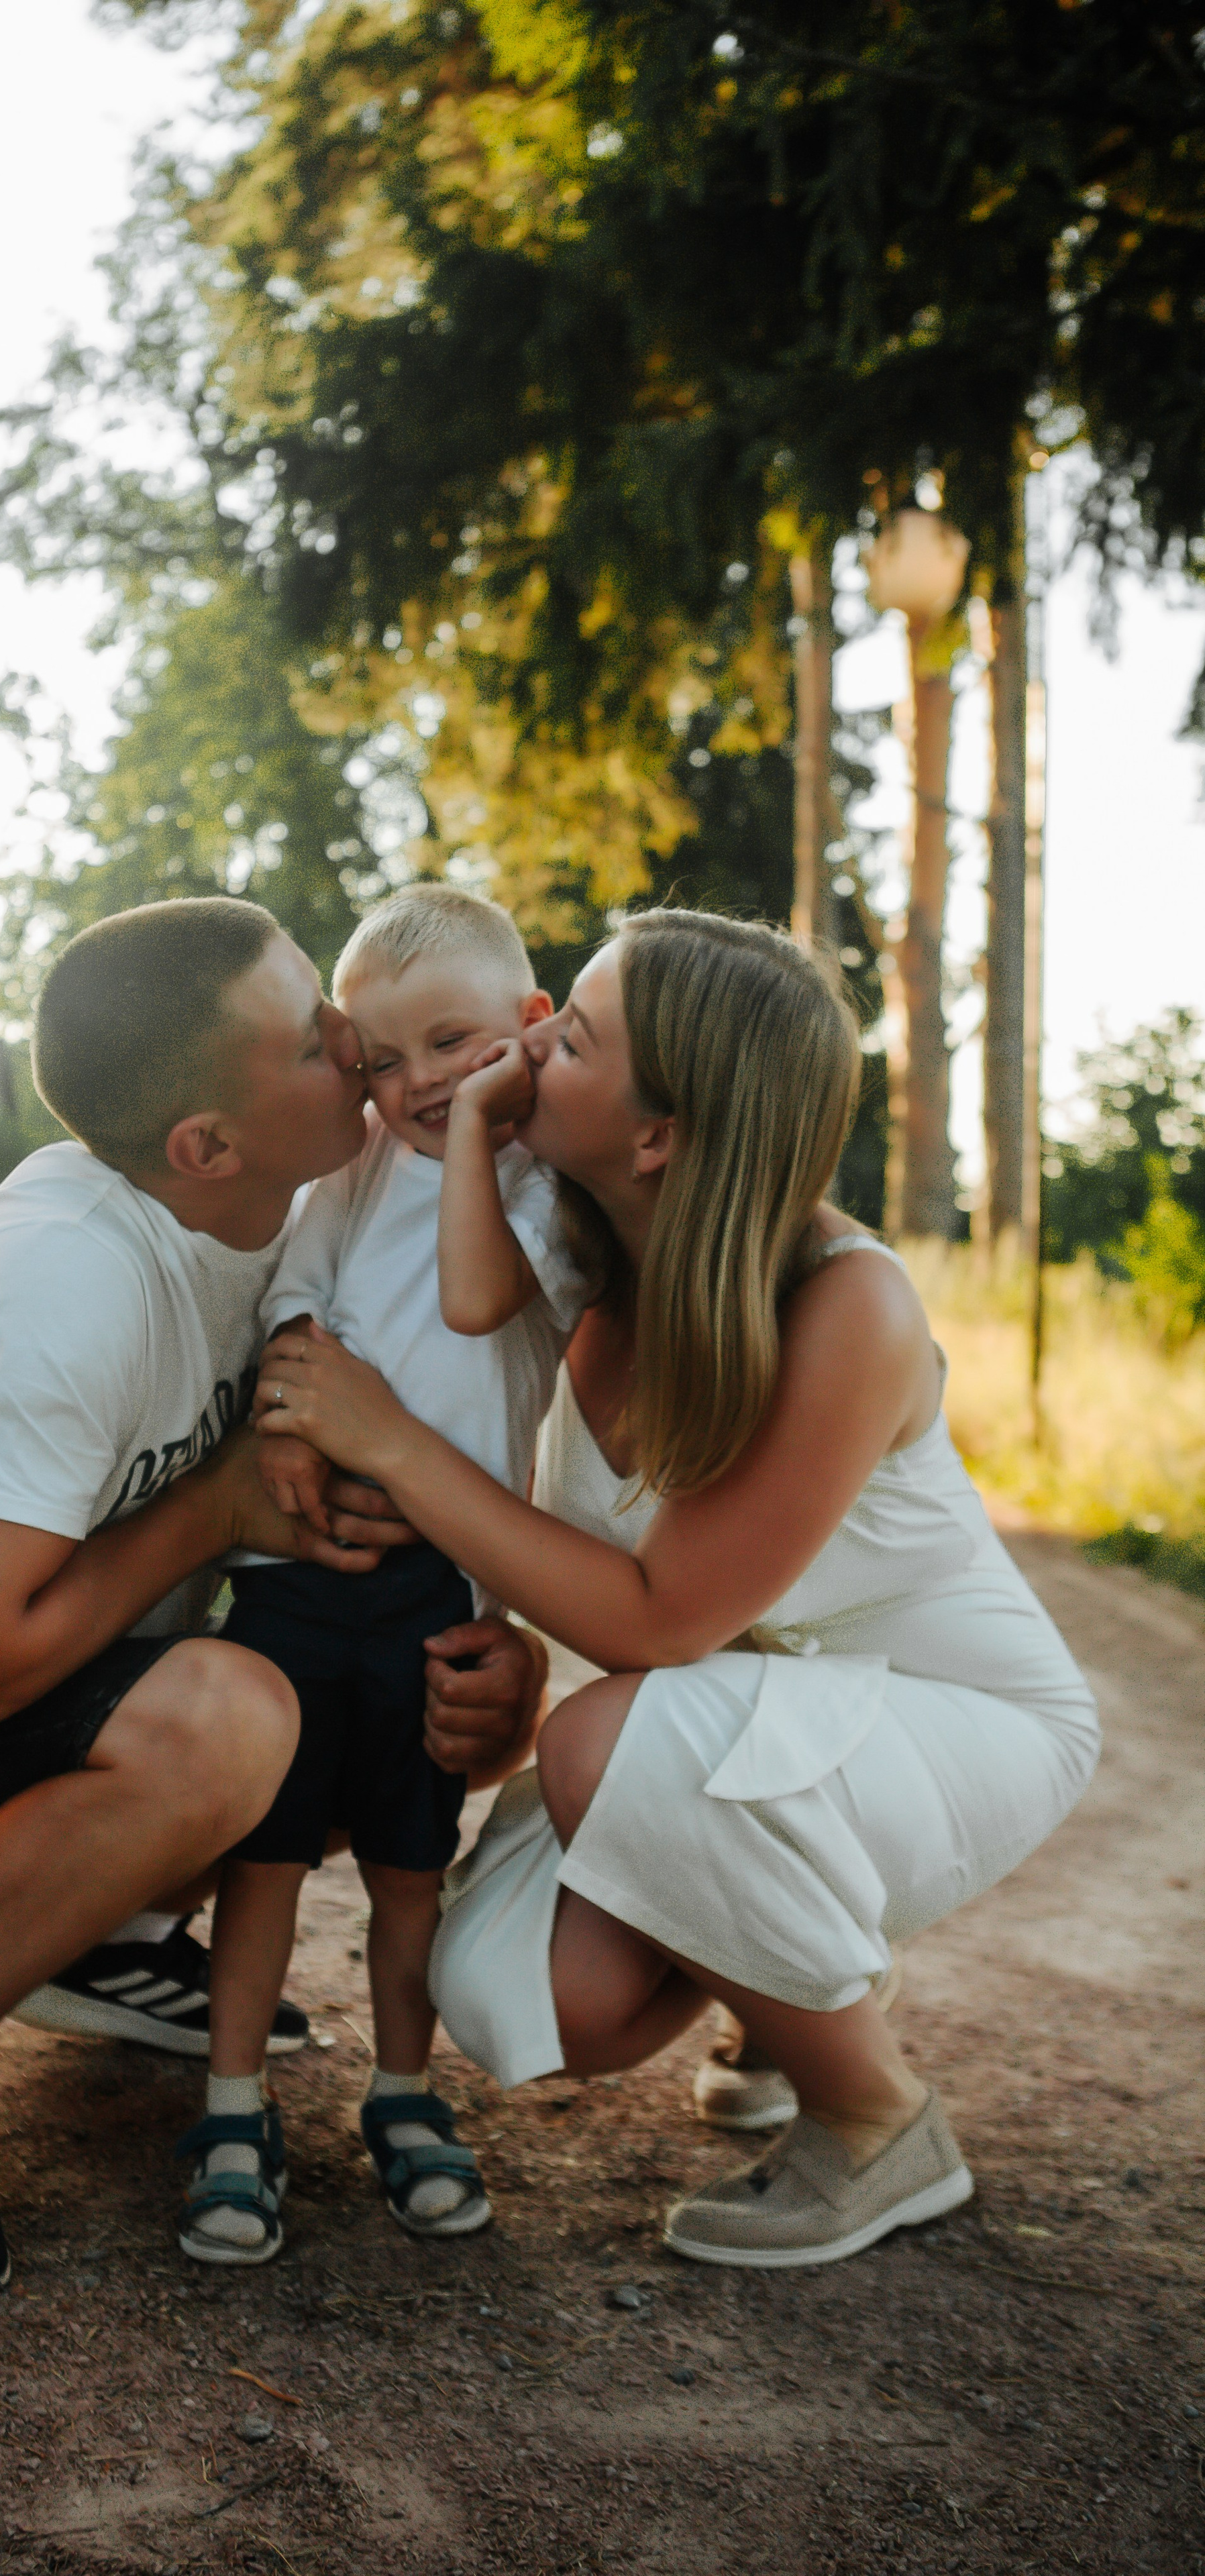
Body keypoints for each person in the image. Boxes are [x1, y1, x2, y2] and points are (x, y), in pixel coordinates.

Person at [0, 897, 542, 2299]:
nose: (354, 1044)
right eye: (315, 1040)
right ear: (204, 1144)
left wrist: (498, 1655)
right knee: (235, 1715)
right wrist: (210, 1505)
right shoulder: (67, 1274)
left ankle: (98, 1939)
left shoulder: (299, 1209)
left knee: (350, 1694)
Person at [255, 908, 1100, 2270]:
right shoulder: (581, 1262)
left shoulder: (846, 1306)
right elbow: (582, 1568)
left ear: (653, 1133)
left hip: (953, 1722)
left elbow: (659, 1622)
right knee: (522, 1991)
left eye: (570, 1036)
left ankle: (877, 2122)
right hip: (750, 1718)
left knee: (604, 1746)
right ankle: (781, 1994)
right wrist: (513, 1654)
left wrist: (389, 1444)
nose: (529, 1049)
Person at [180, 886, 589, 2264]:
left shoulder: (544, 1187)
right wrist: (294, 1424)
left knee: (411, 1867)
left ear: (530, 1030)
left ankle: (404, 2096)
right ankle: (230, 2108)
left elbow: (481, 1304)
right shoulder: (352, 1172)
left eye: (453, 1043)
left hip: (438, 1590)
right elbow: (292, 1307)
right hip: (301, 1572)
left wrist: (487, 1120)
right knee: (266, 1857)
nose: (415, 1084)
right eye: (382, 1055)